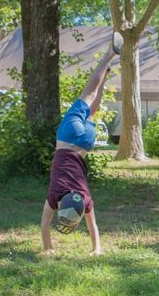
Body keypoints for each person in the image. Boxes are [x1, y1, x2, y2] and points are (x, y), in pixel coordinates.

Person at [40, 32, 122, 256]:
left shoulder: (85, 200)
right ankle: (107, 58)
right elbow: (45, 223)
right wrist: (47, 247)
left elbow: (91, 226)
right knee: (88, 94)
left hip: (86, 142)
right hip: (67, 138)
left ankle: (107, 64)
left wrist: (98, 248)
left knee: (92, 109)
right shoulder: (56, 195)